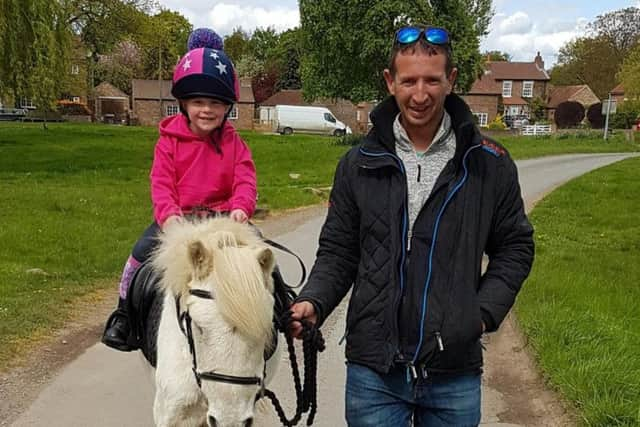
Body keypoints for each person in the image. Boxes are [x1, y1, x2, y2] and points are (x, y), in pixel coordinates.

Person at [290, 25, 534, 426]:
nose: (420, 94)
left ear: (451, 80)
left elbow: (515, 247)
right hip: (374, 373)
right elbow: (338, 252)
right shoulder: (357, 165)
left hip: (454, 372)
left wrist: (482, 313)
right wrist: (313, 301)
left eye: (432, 80)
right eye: (408, 81)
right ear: (390, 82)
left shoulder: (489, 162)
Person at [102, 45, 257, 351]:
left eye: (215, 103)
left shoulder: (235, 144)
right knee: (139, 254)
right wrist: (169, 215)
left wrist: (241, 208)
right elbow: (161, 183)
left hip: (222, 221)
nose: (207, 110)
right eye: (198, 102)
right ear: (184, 103)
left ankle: (277, 309)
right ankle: (124, 315)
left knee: (261, 258)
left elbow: (245, 180)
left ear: (226, 107)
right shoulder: (168, 142)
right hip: (178, 220)